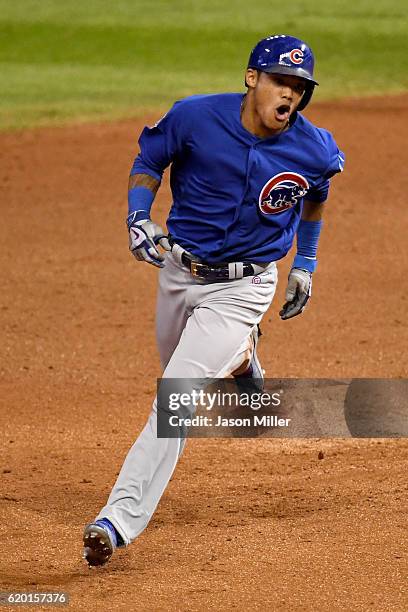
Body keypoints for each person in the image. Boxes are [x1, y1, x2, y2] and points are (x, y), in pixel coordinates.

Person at [83, 34, 345, 566]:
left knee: (174, 401)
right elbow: (149, 159)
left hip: (245, 288)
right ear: (252, 78)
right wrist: (138, 216)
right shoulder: (195, 117)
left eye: (300, 88)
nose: (290, 95)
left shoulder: (313, 147)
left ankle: (116, 520)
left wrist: (307, 264)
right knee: (177, 374)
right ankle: (243, 354)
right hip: (179, 275)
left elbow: (317, 194)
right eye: (281, 81)